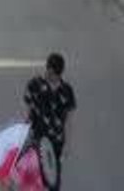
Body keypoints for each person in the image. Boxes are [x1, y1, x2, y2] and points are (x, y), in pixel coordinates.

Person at [24, 53, 77, 187]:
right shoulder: (35, 84)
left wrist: (68, 144)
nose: (51, 75)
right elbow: (27, 110)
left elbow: (69, 119)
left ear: (59, 73)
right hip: (37, 138)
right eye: (50, 71)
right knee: (36, 180)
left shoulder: (67, 91)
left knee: (53, 181)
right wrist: (25, 132)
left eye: (54, 74)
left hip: (56, 142)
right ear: (47, 68)